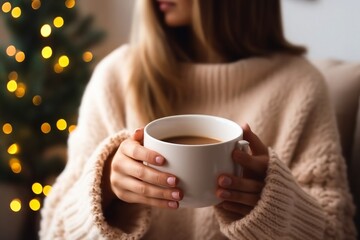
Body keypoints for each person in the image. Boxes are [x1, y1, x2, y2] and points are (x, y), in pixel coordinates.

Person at [39, 0, 357, 239]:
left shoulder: (300, 87)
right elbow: (53, 230)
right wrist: (107, 185)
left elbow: (338, 231)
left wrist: (275, 208)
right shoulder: (117, 77)